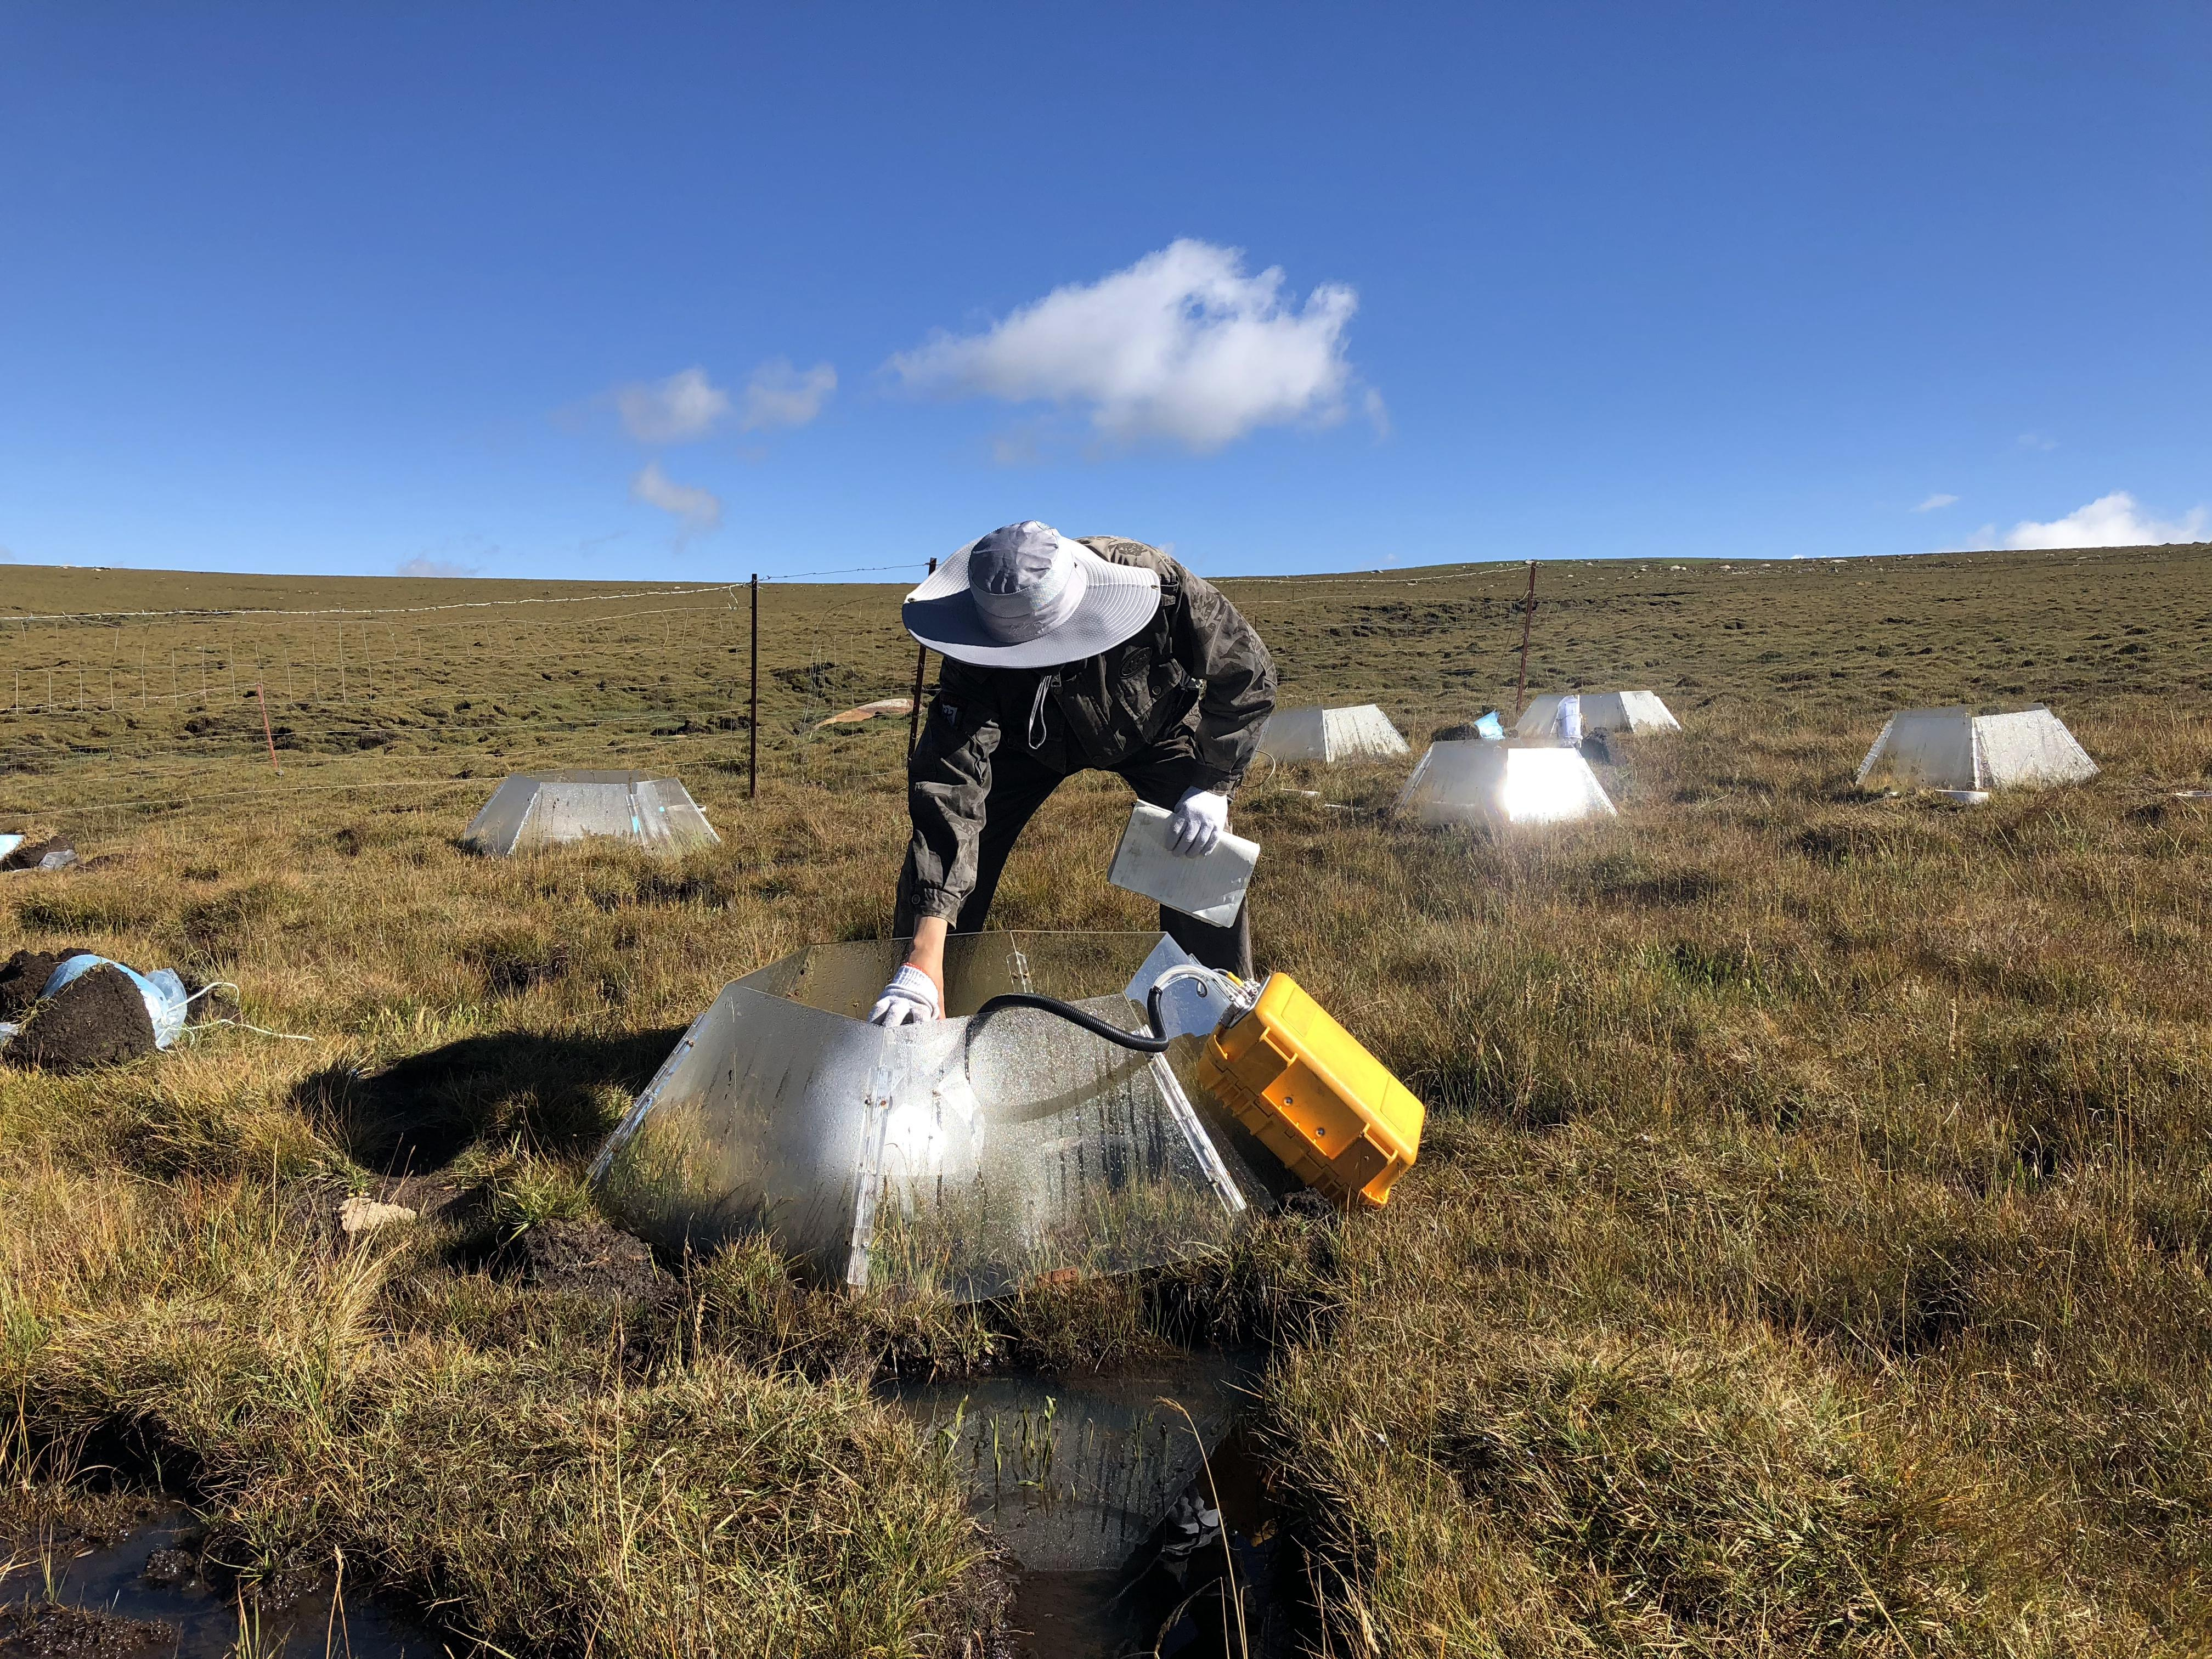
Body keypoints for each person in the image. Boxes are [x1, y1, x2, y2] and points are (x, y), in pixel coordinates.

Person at [868, 521, 1276, 1026]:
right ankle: (919, 1000)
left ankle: (1219, 1018)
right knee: (945, 867)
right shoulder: (972, 645)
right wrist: (925, 947)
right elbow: (950, 786)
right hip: (1024, 741)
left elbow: (1247, 673)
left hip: (1154, 725)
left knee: (1202, 852)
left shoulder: (1159, 582)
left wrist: (1212, 782)